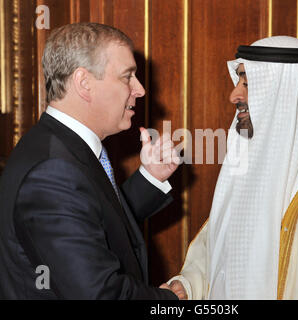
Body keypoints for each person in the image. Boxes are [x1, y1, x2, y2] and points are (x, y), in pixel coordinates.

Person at [163, 36, 298, 300]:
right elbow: (217, 256)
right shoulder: (246, 174)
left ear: (289, 91)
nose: (234, 95)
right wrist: (188, 287)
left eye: (249, 82)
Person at [0, 22, 180, 299]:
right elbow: (97, 293)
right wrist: (170, 300)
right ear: (84, 83)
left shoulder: (61, 148)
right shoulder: (52, 171)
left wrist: (151, 177)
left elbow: (95, 220)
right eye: (127, 77)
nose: (140, 89)